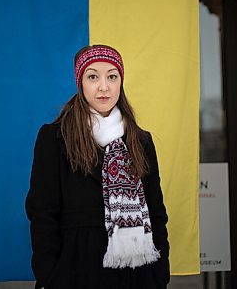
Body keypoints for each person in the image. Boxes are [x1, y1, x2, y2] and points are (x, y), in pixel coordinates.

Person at [25, 44, 170, 289]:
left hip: (136, 277)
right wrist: (50, 276)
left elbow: (156, 212)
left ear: (120, 82)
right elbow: (42, 214)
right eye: (93, 76)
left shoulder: (140, 141)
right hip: (75, 273)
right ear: (80, 82)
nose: (104, 87)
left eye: (112, 76)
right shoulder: (54, 137)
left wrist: (159, 276)